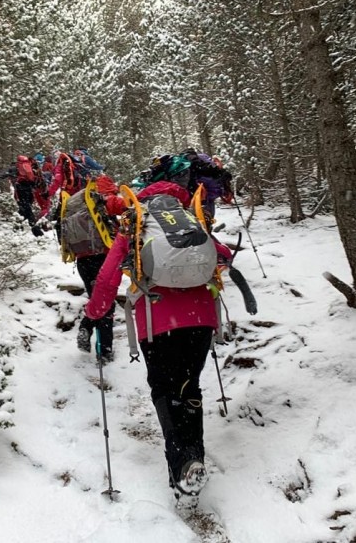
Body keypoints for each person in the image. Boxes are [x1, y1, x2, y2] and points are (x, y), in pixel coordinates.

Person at [84, 175, 233, 497]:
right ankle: (193, 459)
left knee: (165, 389)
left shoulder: (135, 225)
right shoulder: (192, 222)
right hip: (201, 318)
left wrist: (94, 313)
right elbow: (224, 255)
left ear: (144, 200)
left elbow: (107, 277)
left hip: (157, 320)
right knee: (188, 385)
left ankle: (181, 467)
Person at [71, 175, 127, 362]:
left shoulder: (79, 202)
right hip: (103, 258)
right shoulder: (103, 198)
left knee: (97, 300)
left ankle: (86, 327)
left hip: (83, 260)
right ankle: (104, 351)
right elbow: (126, 206)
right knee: (106, 303)